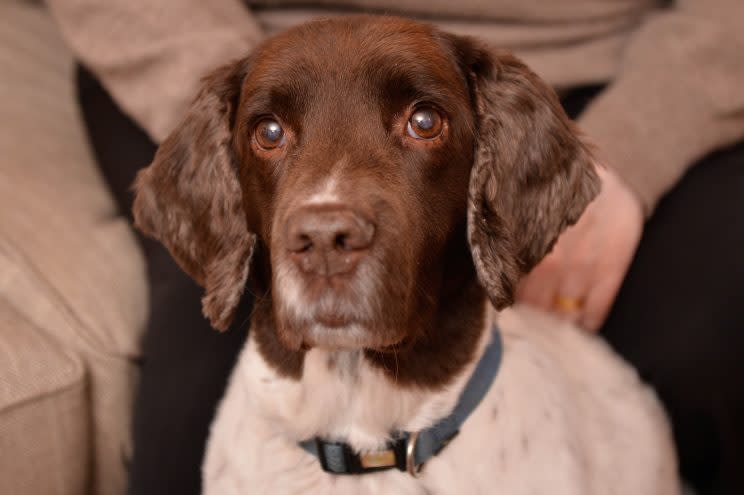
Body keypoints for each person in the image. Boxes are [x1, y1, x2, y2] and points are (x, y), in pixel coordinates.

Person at [47, 1, 744, 493]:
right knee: (175, 440)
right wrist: (249, 104)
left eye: (420, 123)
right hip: (226, 38)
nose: (326, 228)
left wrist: (637, 146)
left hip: (609, 62)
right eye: (268, 134)